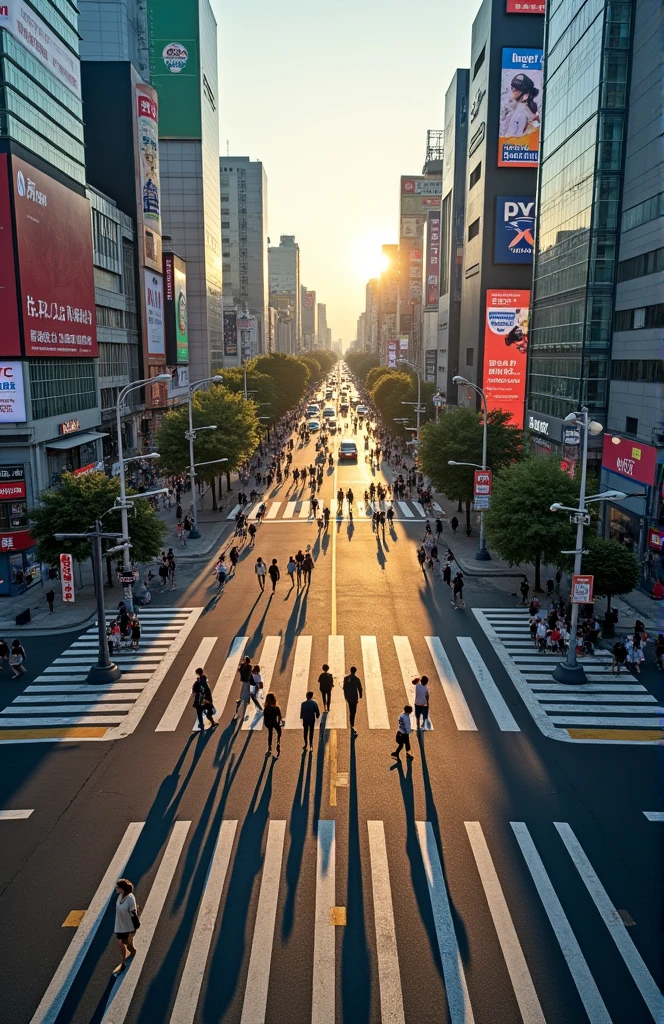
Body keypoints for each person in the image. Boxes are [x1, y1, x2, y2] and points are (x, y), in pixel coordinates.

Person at [113, 878, 138, 975]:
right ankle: (125, 959)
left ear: (122, 889)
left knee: (124, 944)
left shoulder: (130, 899)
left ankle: (125, 960)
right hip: (120, 924)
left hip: (128, 926)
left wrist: (133, 929)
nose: (116, 889)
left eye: (117, 887)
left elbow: (134, 914)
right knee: (121, 943)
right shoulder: (120, 896)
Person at [342, 665, 363, 735]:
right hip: (354, 698)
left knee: (351, 710)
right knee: (353, 712)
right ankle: (352, 724)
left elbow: (344, 688)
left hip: (349, 697)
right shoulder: (357, 679)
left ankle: (352, 723)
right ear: (355, 671)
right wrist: (360, 695)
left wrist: (345, 696)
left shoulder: (346, 678)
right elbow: (360, 688)